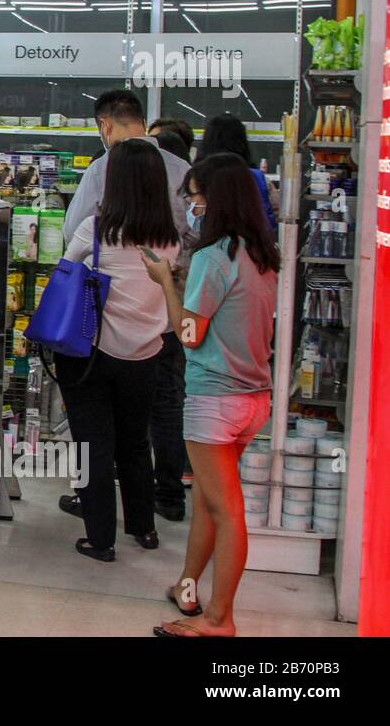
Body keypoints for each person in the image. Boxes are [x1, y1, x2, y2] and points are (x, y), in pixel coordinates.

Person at [142, 153, 280, 637]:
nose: (193, 205)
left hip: (213, 401)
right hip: (253, 399)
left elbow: (188, 333)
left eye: (197, 196)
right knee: (206, 499)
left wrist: (165, 283)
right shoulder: (262, 253)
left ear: (217, 198)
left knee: (224, 510)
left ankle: (220, 620)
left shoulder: (212, 255)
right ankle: (188, 585)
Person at [62, 89, 194, 524]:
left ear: (104, 125)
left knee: (98, 428)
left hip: (104, 323)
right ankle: (166, 499)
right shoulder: (182, 169)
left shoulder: (103, 169)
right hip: (169, 314)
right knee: (163, 406)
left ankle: (96, 511)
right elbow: (195, 236)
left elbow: (71, 239)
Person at [196, 113, 278, 232]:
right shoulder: (257, 177)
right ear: (242, 142)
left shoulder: (196, 177)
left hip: (205, 242)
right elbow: (275, 212)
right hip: (250, 244)